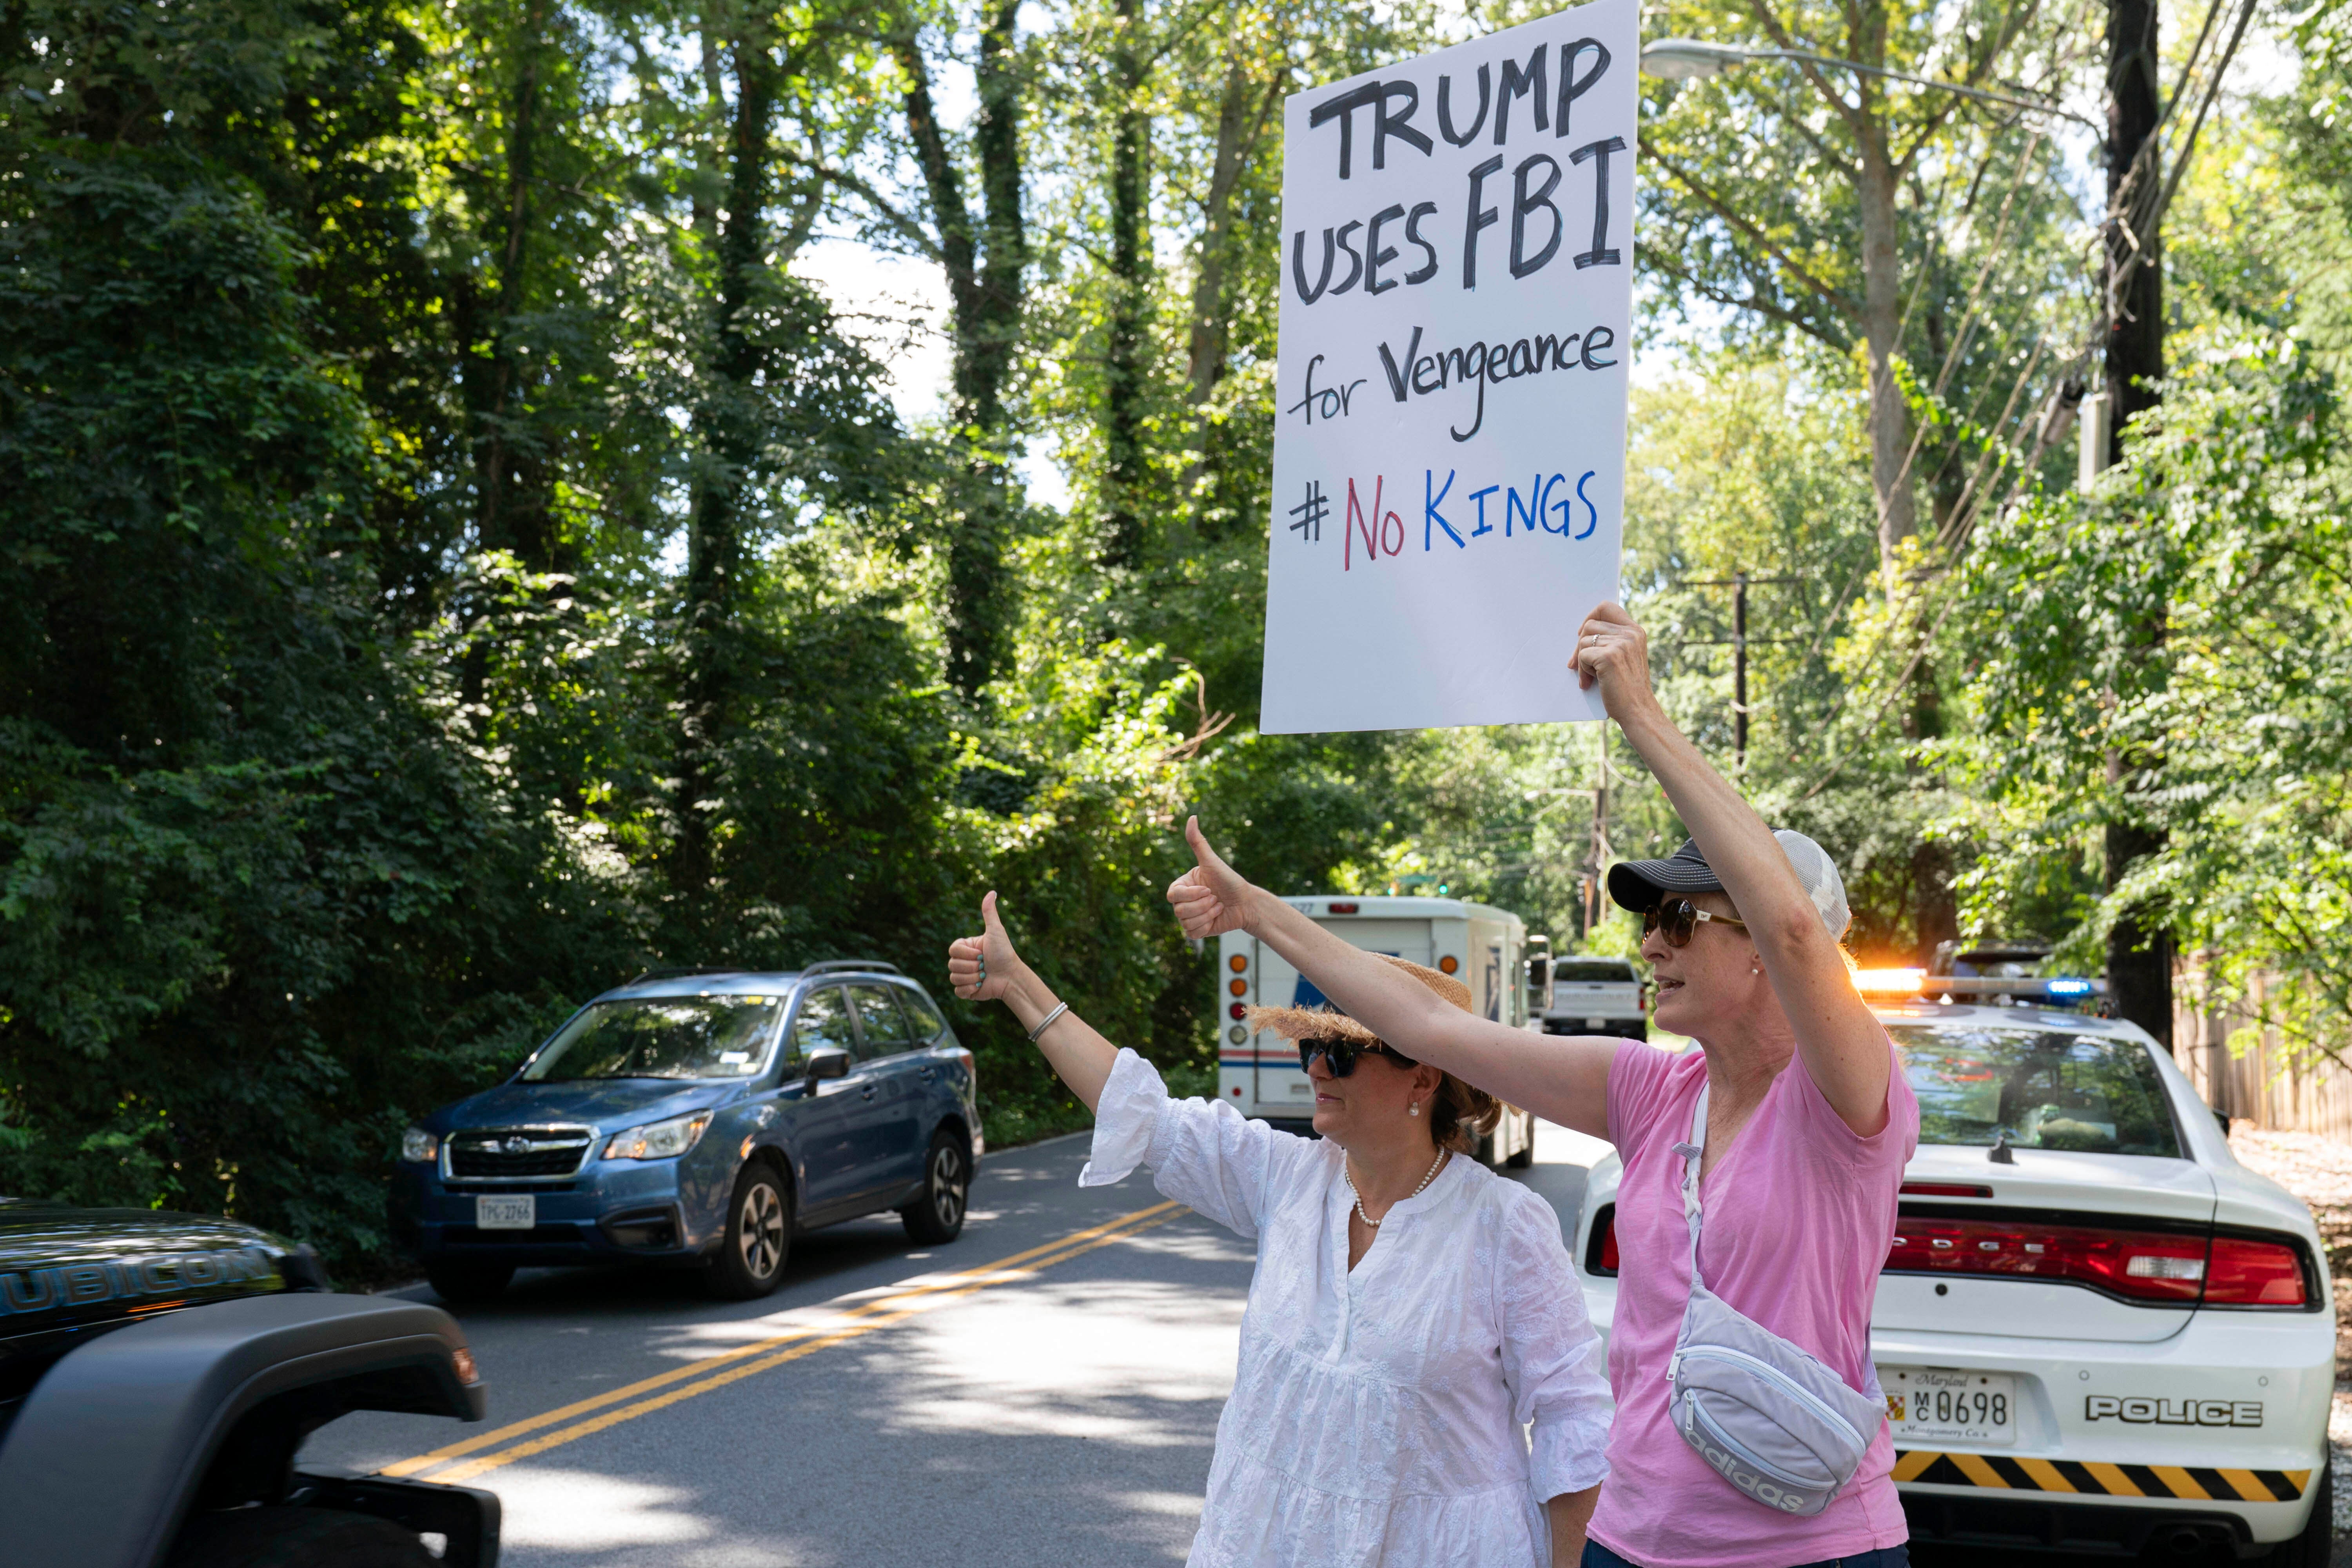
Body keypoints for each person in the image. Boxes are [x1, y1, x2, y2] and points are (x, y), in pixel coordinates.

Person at [1167, 602, 1920, 1568]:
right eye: (1649, 918)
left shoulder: (1849, 1100)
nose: (1651, 941)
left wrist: (1640, 713)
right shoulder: (1655, 1093)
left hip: (1810, 1550)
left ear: (1768, 954)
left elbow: (1799, 933)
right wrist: (1259, 912)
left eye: (1683, 919)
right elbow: (1432, 1026)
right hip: (1632, 1540)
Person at [947, 891, 1610, 1568]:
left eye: (1344, 1054)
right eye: (1314, 1046)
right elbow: (1142, 1112)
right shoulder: (1288, 1178)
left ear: (1424, 1078)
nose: (1318, 1066)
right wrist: (1018, 985)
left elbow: (1572, 1421)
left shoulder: (1503, 1225)